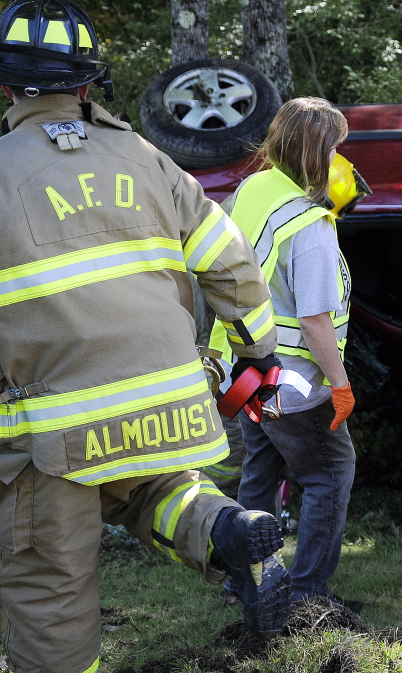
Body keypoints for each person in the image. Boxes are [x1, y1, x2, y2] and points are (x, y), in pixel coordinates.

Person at [0, 2, 293, 670]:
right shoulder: (146, 157)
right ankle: (223, 526)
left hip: (54, 425)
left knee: (50, 583)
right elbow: (231, 261)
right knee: (148, 489)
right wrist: (258, 356)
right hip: (170, 403)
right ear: (85, 84)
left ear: (7, 87)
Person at [208, 97, 358, 605]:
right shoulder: (308, 225)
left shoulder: (255, 188)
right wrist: (340, 385)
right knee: (331, 474)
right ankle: (308, 593)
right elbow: (316, 321)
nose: (342, 158)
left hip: (246, 373)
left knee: (261, 471)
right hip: (293, 383)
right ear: (319, 153)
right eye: (336, 146)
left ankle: (244, 579)